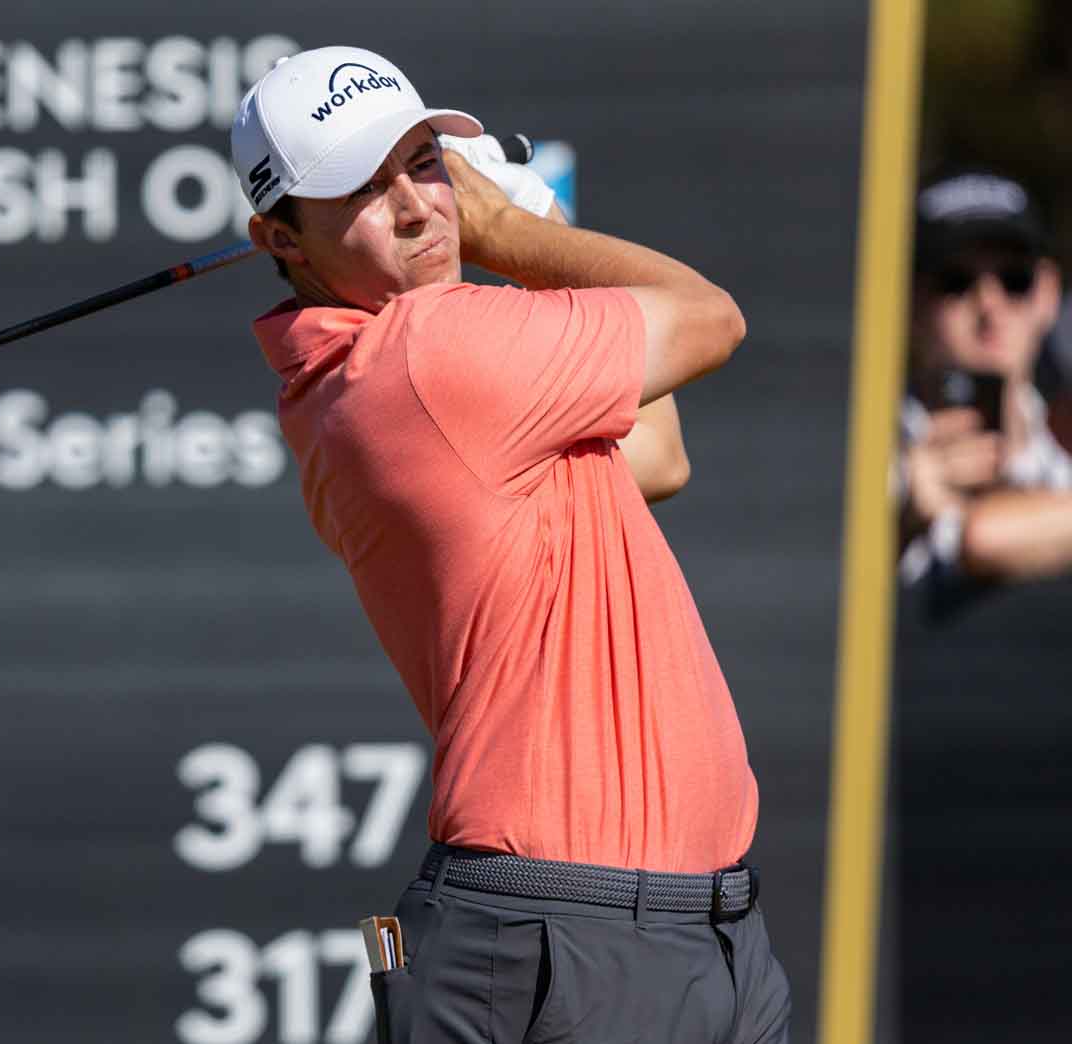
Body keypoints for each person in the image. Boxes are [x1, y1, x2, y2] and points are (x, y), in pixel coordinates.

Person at [231, 46, 788, 1042]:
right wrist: (510, 228)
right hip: (569, 938)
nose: (415, 207)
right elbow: (712, 318)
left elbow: (652, 455)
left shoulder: (387, 367)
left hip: (683, 933)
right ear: (278, 236)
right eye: (362, 188)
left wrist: (539, 236)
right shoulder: (421, 352)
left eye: (422, 164)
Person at [899, 169, 1072, 618]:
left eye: (1015, 280)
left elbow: (985, 537)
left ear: (1049, 294)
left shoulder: (1063, 473)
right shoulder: (853, 466)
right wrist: (895, 520)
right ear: (910, 302)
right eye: (956, 282)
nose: (989, 305)